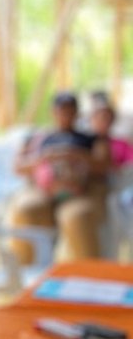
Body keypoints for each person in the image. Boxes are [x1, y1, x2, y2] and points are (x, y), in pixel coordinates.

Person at [9, 92, 110, 263]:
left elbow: (104, 164)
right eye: (61, 110)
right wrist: (45, 159)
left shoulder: (92, 138)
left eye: (70, 110)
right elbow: (18, 166)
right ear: (53, 112)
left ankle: (87, 276)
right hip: (42, 190)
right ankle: (25, 273)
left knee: (77, 217)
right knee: (26, 210)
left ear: (77, 113)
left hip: (81, 192)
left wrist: (74, 156)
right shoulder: (37, 138)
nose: (66, 114)